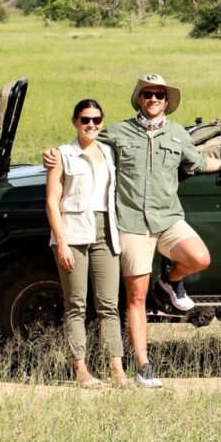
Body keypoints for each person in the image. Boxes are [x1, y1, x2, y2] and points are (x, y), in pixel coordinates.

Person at [46, 74, 221, 388]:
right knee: (134, 298)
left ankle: (170, 282)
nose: (153, 99)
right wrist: (53, 154)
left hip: (167, 219)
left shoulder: (177, 134)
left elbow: (199, 161)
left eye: (159, 95)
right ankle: (143, 366)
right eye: (147, 94)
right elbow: (86, 145)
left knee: (199, 257)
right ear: (139, 99)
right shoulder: (117, 133)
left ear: (166, 101)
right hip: (132, 223)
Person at [45, 99, 127, 388]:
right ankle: (81, 369)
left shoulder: (109, 152)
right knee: (76, 304)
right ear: (74, 121)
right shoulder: (62, 155)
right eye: (84, 119)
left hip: (106, 231)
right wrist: (62, 243)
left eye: (96, 119)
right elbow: (52, 202)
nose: (90, 124)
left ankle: (118, 370)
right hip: (73, 232)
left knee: (109, 305)